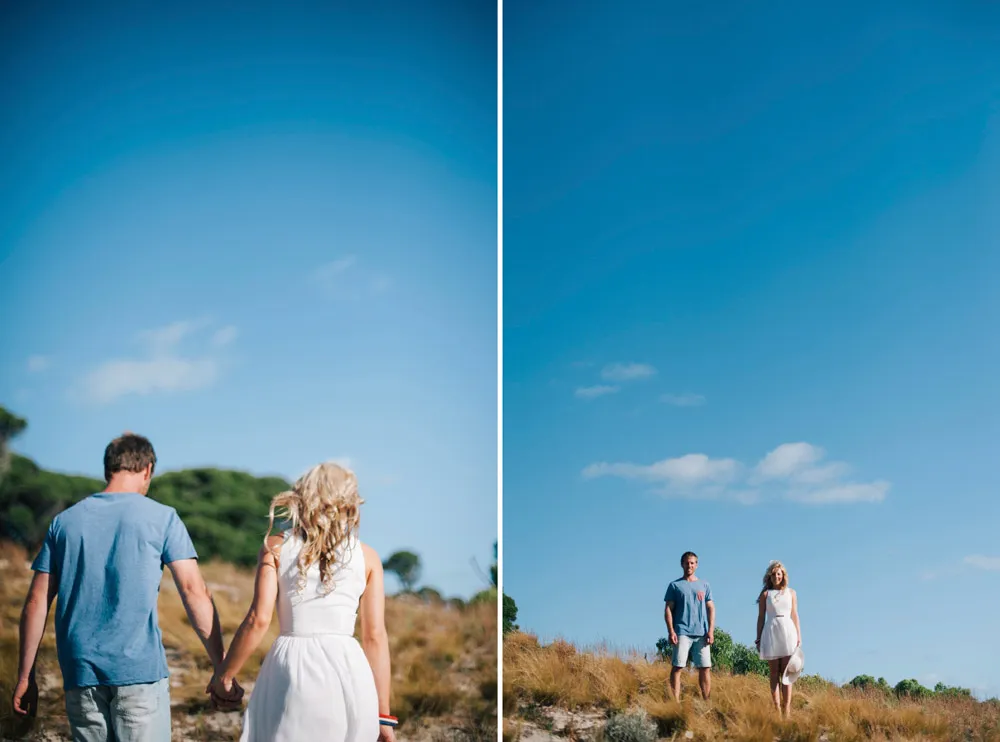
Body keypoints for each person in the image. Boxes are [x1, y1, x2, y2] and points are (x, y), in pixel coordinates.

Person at [11, 432, 242, 741]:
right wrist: (221, 668)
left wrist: (25, 675)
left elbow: (35, 603)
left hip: (79, 672)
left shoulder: (63, 523)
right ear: (147, 470)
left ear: (109, 469)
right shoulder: (163, 518)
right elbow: (193, 590)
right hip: (138, 672)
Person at [208, 461, 396, 742]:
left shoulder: (276, 545)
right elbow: (374, 637)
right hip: (348, 667)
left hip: (291, 664)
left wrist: (224, 676)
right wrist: (384, 717)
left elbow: (258, 620)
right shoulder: (368, 557)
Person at [663, 551, 715, 701]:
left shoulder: (704, 585)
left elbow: (711, 607)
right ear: (682, 564)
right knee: (678, 666)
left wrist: (710, 631)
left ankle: (706, 701)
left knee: (705, 667)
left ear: (696, 565)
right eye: (687, 563)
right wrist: (671, 631)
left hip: (702, 633)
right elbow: (668, 609)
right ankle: (675, 701)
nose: (689, 565)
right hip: (682, 631)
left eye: (692, 563)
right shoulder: (675, 585)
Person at [755, 560, 801, 717]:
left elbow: (795, 614)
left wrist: (799, 636)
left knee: (787, 673)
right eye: (773, 574)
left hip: (788, 630)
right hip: (771, 631)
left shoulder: (791, 593)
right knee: (774, 672)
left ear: (783, 576)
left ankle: (787, 709)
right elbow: (761, 617)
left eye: (779, 574)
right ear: (770, 576)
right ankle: (777, 708)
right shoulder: (766, 595)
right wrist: (758, 637)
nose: (776, 576)